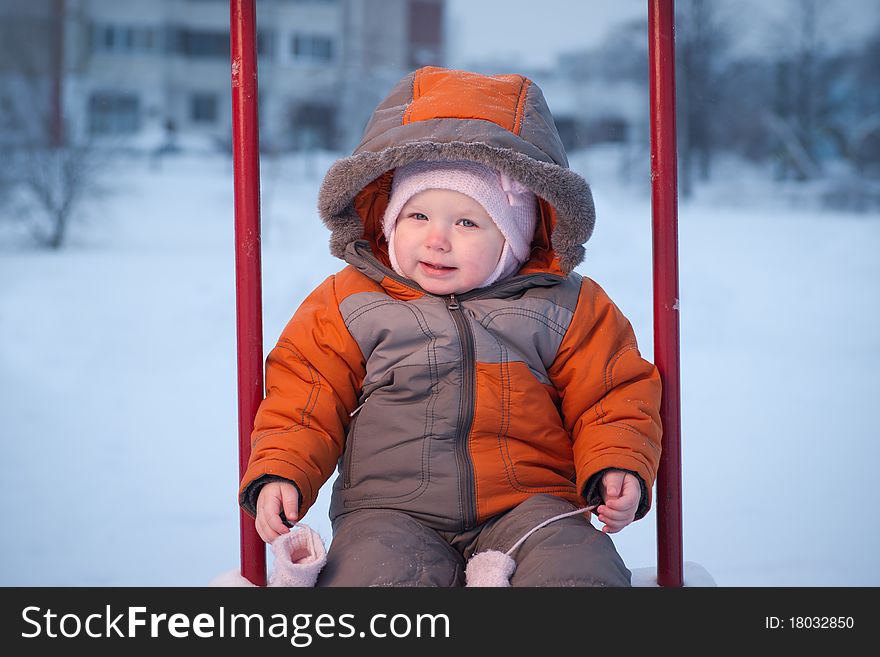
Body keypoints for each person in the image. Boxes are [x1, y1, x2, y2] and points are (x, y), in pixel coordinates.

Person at [239, 66, 662, 586]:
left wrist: (617, 462)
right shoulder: (350, 301)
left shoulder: (566, 306)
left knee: (579, 572)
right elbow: (306, 393)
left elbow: (612, 393)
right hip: (389, 513)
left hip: (534, 508)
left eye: (466, 222)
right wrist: (283, 468)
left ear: (515, 236)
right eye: (418, 217)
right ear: (390, 222)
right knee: (376, 580)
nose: (437, 239)